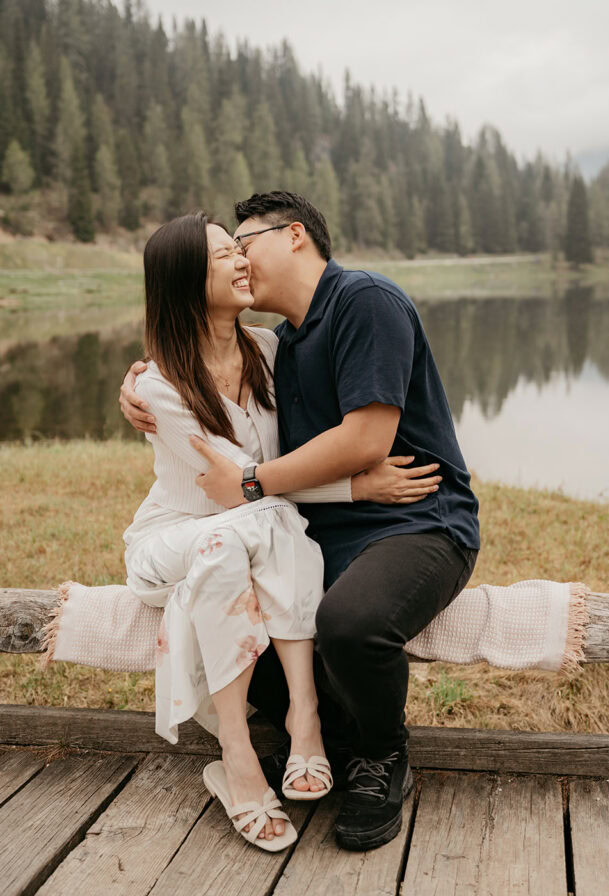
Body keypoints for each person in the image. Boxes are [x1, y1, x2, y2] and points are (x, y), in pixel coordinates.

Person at [121, 191, 480, 852]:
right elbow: (193, 383)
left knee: (346, 622)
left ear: (291, 236)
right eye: (221, 252)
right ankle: (314, 740)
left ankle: (378, 755)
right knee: (266, 621)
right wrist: (139, 380)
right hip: (297, 527)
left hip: (415, 519)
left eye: (241, 243)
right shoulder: (279, 341)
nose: (236, 259)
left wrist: (261, 481)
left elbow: (362, 440)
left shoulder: (362, 301)